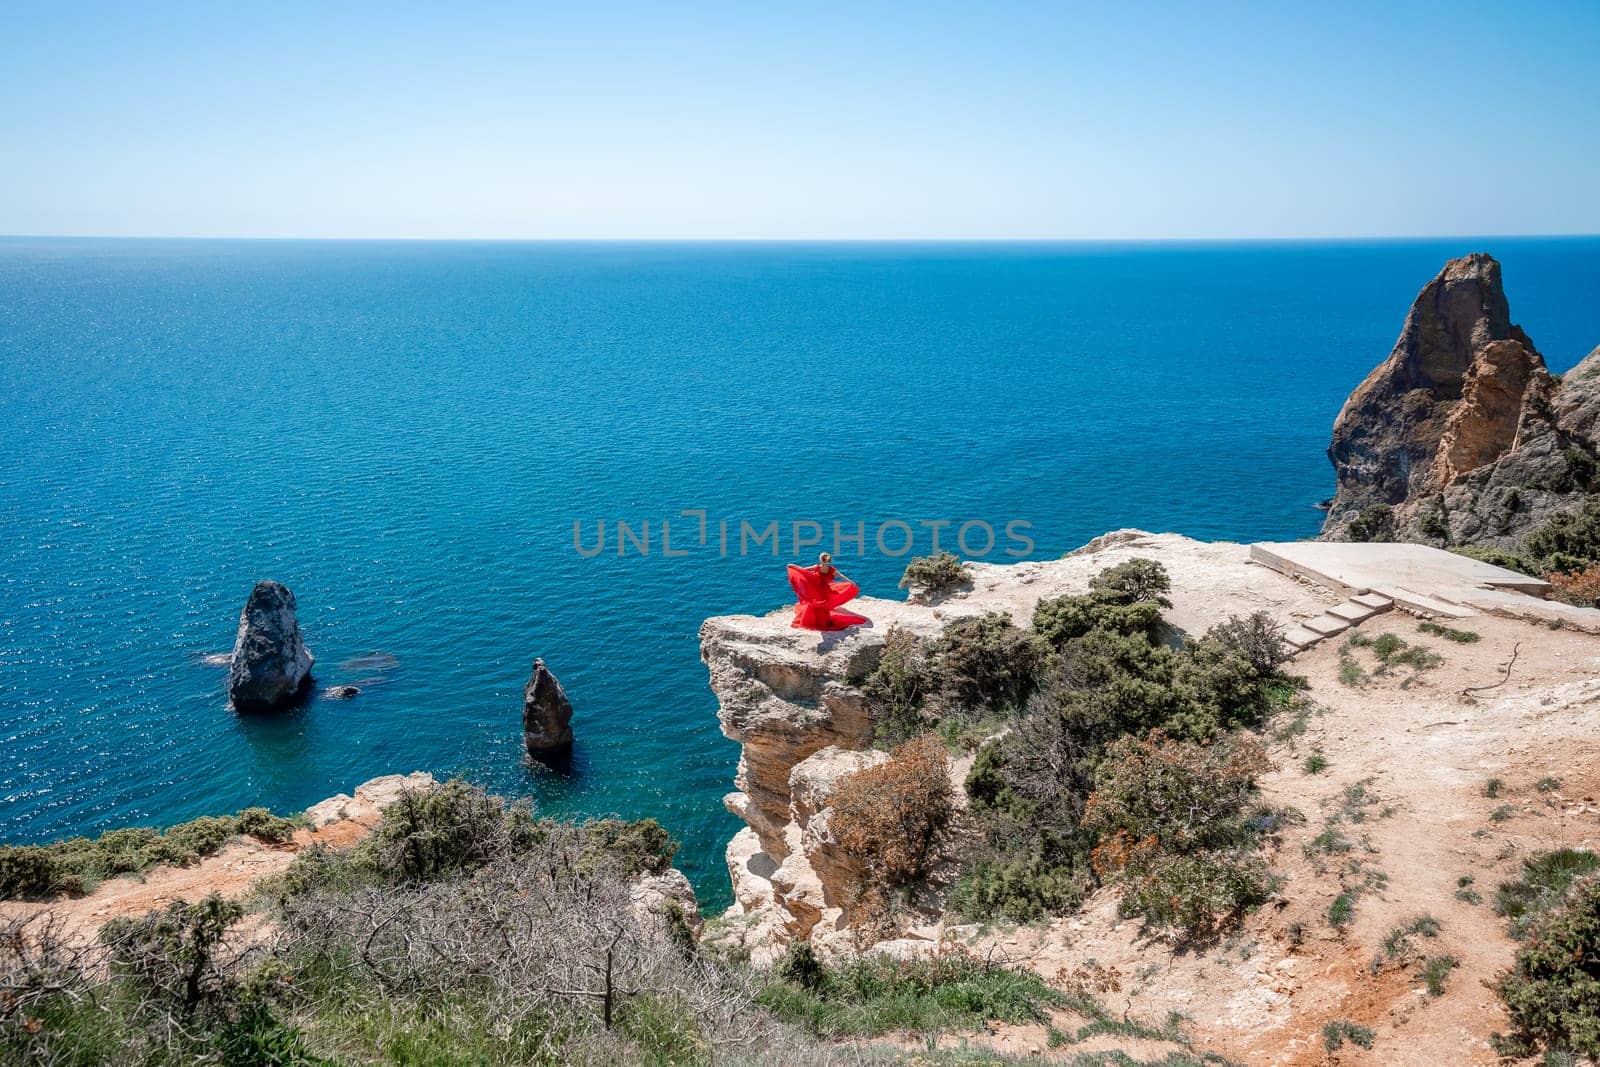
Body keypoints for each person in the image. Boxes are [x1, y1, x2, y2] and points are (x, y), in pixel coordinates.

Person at [787, 551, 868, 631]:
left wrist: (793, 566)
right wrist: (852, 583)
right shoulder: (831, 569)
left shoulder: (817, 567)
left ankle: (813, 621)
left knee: (814, 605)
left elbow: (803, 571)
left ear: (821, 560)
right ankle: (825, 621)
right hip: (826, 591)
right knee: (823, 606)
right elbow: (841, 576)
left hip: (816, 590)